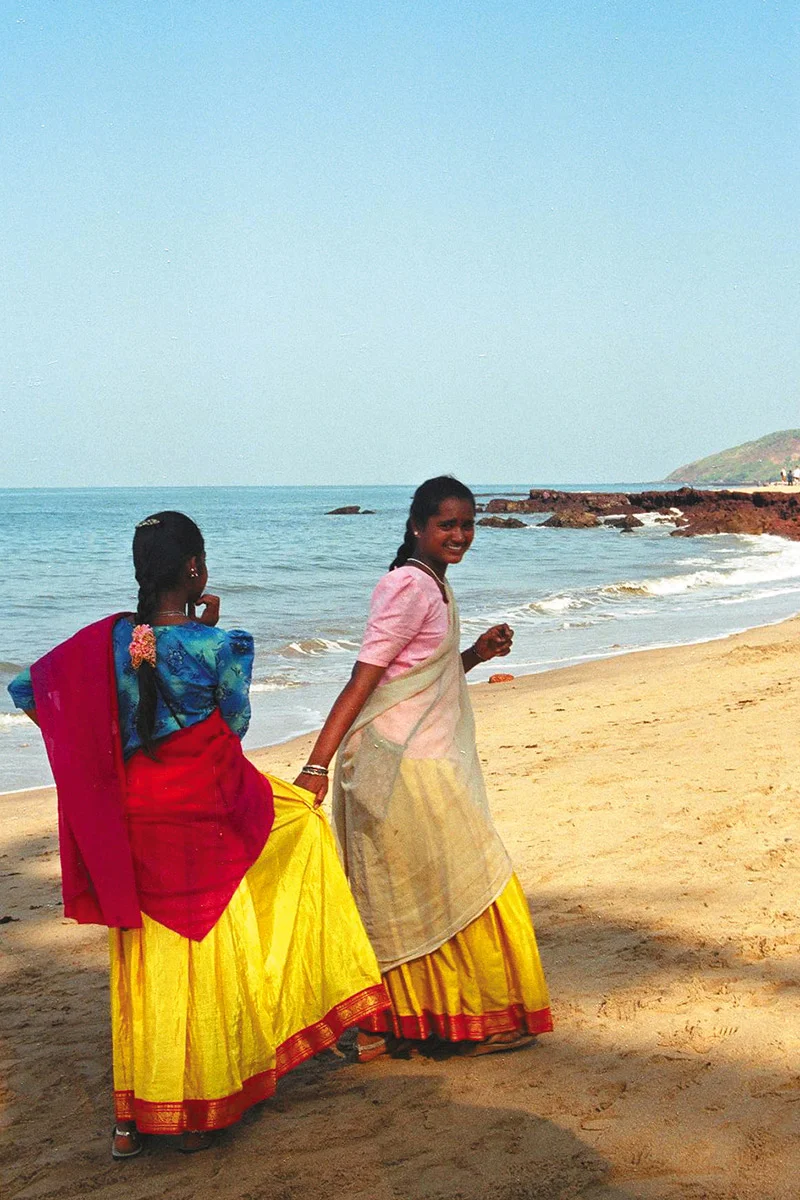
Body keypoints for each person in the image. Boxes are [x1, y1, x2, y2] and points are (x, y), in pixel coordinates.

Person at [8, 511, 388, 1158]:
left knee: (150, 960)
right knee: (297, 836)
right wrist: (203, 634)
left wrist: (103, 745)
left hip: (138, 825)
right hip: (206, 818)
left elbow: (27, 690)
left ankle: (133, 1122)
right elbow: (233, 726)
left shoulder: (110, 643)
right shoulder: (225, 646)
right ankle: (209, 1107)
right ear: (194, 570)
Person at [295, 477, 552, 1060]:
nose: (460, 535)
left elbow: (413, 678)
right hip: (400, 763)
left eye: (468, 524)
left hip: (418, 755)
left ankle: (388, 1026)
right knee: (464, 881)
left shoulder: (432, 584)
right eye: (447, 525)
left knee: (415, 889)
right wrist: (316, 764)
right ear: (417, 527)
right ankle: (454, 1020)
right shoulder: (407, 586)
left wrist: (476, 655)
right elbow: (363, 682)